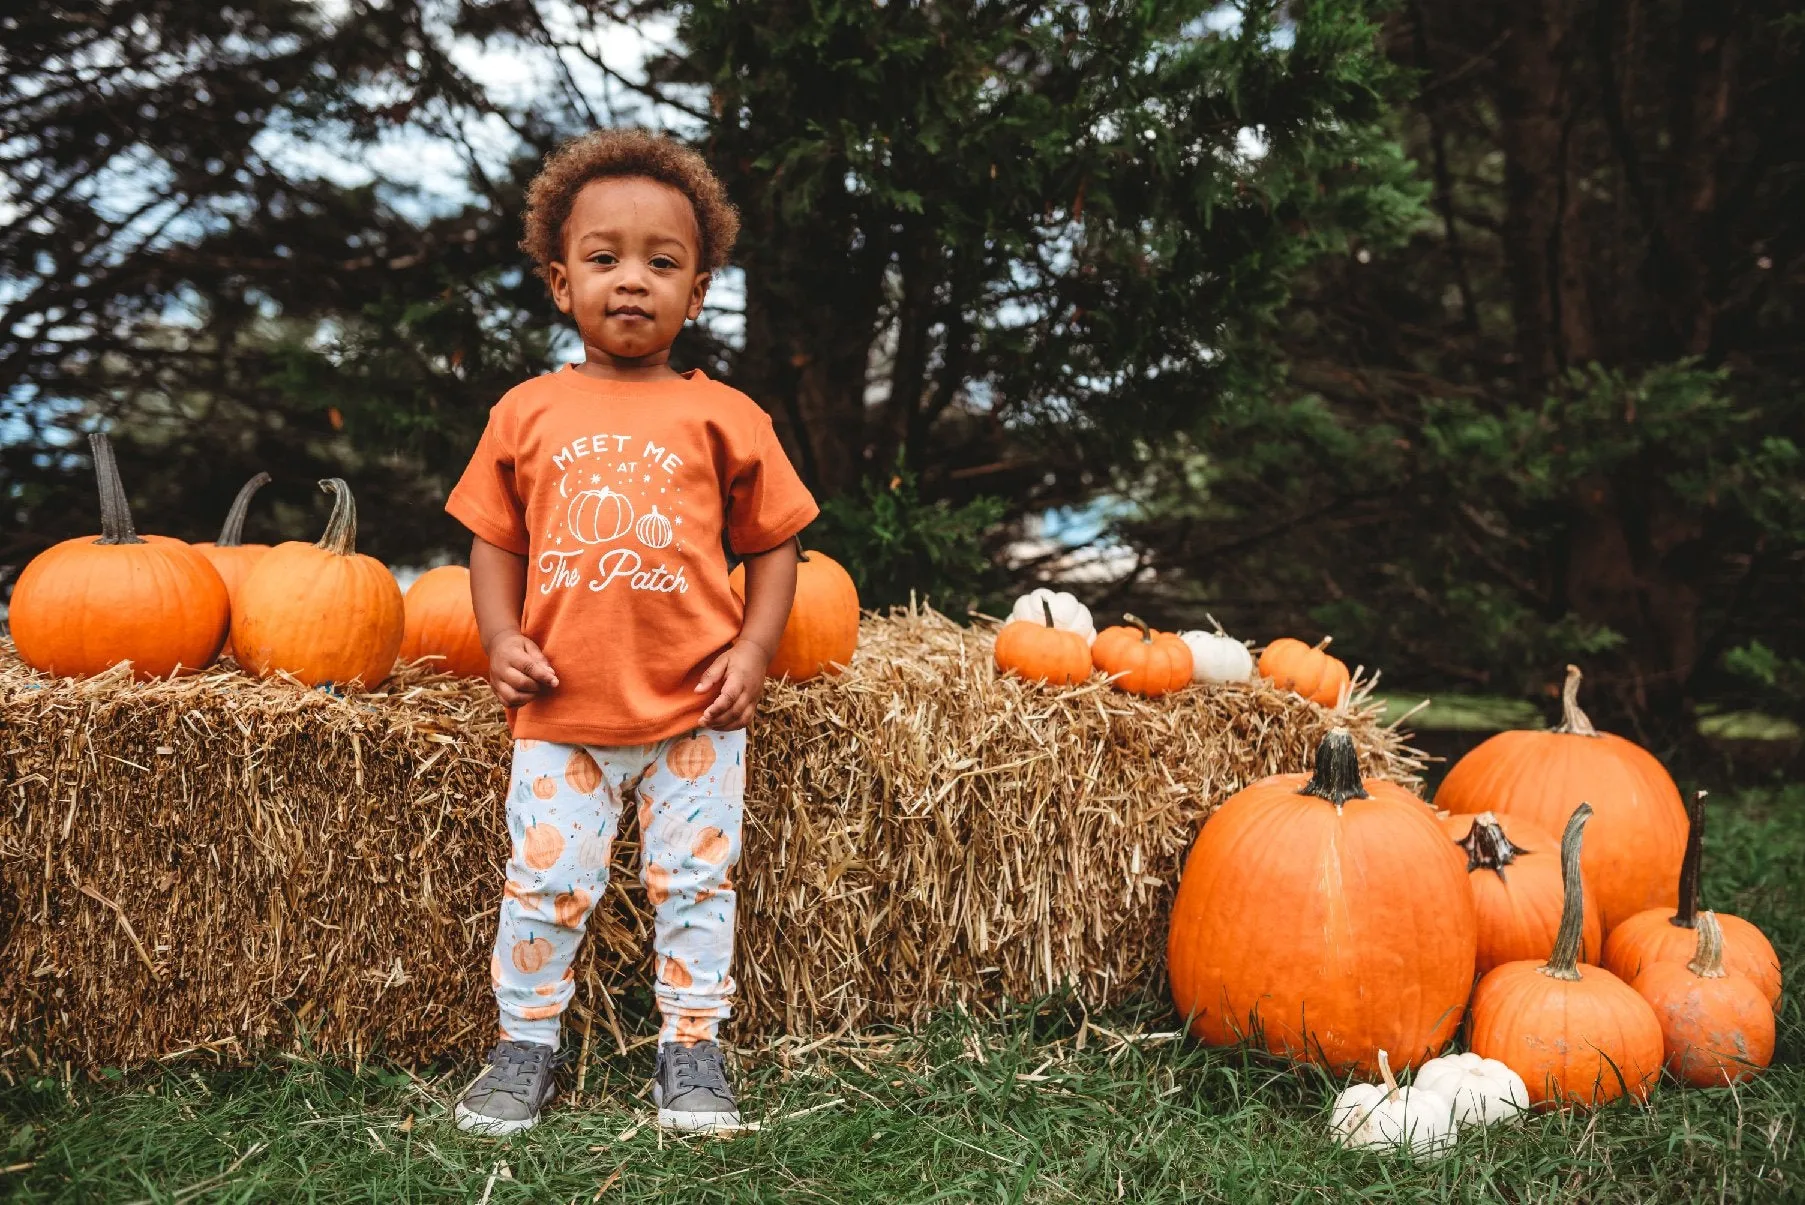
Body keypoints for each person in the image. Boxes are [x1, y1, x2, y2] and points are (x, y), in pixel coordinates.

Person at [442, 129, 816, 1136]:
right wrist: (496, 634)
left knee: (696, 884)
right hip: (562, 708)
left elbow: (777, 545)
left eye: (663, 262)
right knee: (546, 883)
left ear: (696, 293)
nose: (633, 281)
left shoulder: (728, 417)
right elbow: (492, 539)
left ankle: (690, 1047)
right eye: (604, 259)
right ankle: (524, 1042)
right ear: (561, 283)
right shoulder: (525, 410)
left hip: (695, 705)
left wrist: (751, 650)